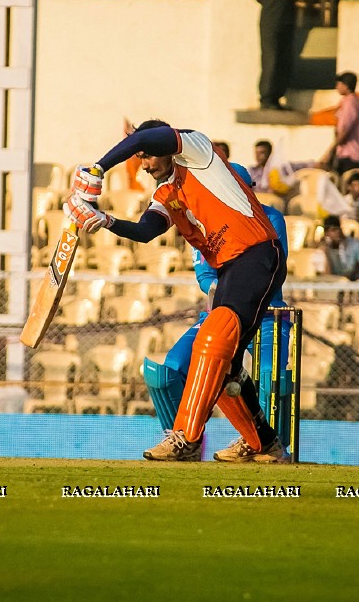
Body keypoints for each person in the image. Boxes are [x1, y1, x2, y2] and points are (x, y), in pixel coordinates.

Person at [63, 121, 286, 461]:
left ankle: (185, 437)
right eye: (140, 158)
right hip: (229, 267)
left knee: (213, 339)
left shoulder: (198, 152)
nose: (145, 163)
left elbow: (148, 136)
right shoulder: (166, 193)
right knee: (223, 365)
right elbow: (146, 231)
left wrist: (98, 167)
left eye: (148, 155)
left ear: (166, 147)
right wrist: (104, 219)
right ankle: (263, 443)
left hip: (256, 253)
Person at [142, 161, 291, 462]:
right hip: (223, 306)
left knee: (267, 374)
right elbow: (205, 276)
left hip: (267, 311)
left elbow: (266, 268)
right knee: (174, 364)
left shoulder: (269, 217)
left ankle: (263, 445)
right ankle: (184, 439)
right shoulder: (205, 218)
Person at [249, 0, 295, 111]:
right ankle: (266, 96)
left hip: (286, 19)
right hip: (271, 19)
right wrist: (264, 2)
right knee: (271, 57)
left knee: (284, 58)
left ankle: (277, 96)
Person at [322, 71, 359, 174]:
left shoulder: (350, 103)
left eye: (339, 84)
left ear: (346, 86)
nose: (337, 86)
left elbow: (343, 131)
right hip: (354, 155)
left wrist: (329, 153)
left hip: (350, 156)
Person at [317, 343, 359, 421]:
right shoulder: (335, 366)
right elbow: (330, 380)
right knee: (321, 391)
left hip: (351, 395)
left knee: (357, 400)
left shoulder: (357, 367)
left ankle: (353, 419)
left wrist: (350, 382)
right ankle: (320, 417)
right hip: (336, 394)